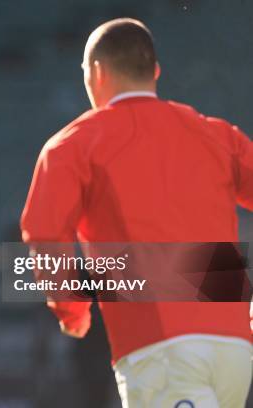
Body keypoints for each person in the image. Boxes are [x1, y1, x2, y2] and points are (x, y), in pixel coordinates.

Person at [21, 18, 252, 407]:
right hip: (234, 347)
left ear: (96, 72)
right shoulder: (215, 133)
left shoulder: (74, 145)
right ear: (156, 71)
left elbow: (44, 233)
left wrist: (71, 309)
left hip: (161, 347)